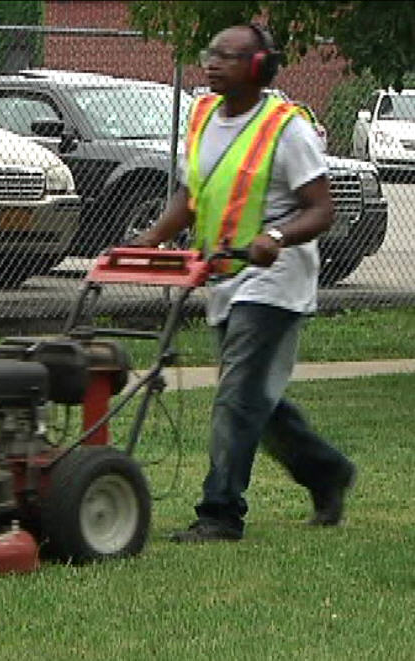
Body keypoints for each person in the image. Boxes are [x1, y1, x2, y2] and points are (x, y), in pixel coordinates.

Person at [132, 23, 356, 542]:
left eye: (228, 57)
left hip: (275, 281)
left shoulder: (287, 128)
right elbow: (191, 195)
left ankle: (219, 512)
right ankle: (327, 471)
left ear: (259, 68)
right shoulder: (204, 116)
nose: (212, 64)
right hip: (225, 274)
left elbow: (322, 209)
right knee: (257, 399)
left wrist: (277, 234)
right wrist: (150, 238)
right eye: (211, 54)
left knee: (236, 395)